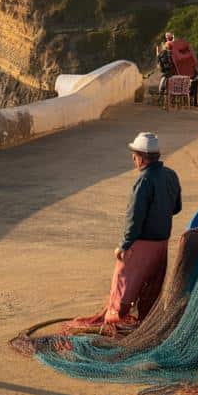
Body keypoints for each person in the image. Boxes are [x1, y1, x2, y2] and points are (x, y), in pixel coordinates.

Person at [68, 132, 182, 335]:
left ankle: (114, 322)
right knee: (151, 287)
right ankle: (147, 323)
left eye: (135, 154)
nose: (133, 158)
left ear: (142, 157)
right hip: (162, 242)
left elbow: (134, 218)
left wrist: (124, 245)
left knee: (122, 286)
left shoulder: (143, 181)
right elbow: (176, 208)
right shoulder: (171, 175)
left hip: (141, 243)